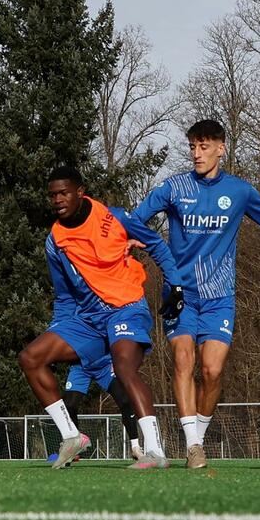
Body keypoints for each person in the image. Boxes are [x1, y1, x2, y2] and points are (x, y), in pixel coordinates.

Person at [133, 120, 260, 469]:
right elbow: (135, 219)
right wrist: (134, 239)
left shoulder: (239, 192)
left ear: (221, 148)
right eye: (192, 147)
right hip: (180, 295)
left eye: (204, 147)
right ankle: (193, 446)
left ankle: (198, 438)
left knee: (212, 371)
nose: (196, 153)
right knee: (183, 361)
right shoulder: (174, 188)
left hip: (219, 296)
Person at [19, 166, 176, 470]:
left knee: (124, 368)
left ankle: (154, 451)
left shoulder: (114, 216)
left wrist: (176, 283)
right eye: (52, 195)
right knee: (30, 358)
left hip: (127, 307)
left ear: (80, 192)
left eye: (64, 193)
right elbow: (64, 295)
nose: (57, 199)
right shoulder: (55, 241)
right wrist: (59, 329)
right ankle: (71, 436)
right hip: (88, 320)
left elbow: (155, 243)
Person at [61, 354, 144, 460]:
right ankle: (73, 445)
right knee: (69, 405)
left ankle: (135, 447)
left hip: (104, 366)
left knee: (125, 401)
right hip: (80, 367)